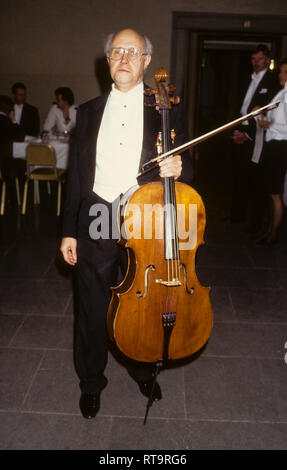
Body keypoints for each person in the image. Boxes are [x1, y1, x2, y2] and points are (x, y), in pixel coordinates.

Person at [60, 28, 193, 419]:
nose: (123, 58)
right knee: (92, 305)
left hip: (143, 217)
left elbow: (186, 166)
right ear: (107, 60)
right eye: (117, 51)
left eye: (133, 52)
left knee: (145, 304)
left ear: (146, 61)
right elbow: (76, 178)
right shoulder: (87, 112)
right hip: (98, 214)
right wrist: (68, 229)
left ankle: (141, 369)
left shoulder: (167, 109)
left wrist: (180, 166)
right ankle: (91, 382)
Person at [230, 44, 280, 231]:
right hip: (240, 131)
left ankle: (256, 224)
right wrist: (236, 131)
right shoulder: (246, 78)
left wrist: (248, 134)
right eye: (253, 59)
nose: (256, 63)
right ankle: (237, 216)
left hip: (256, 136)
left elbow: (268, 113)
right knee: (239, 176)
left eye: (260, 59)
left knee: (257, 180)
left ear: (267, 60)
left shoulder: (274, 81)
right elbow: (238, 105)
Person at [255, 59, 287, 244]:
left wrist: (264, 121)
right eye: (281, 71)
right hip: (273, 144)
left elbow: (282, 126)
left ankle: (273, 234)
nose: (281, 74)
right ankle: (270, 230)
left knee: (275, 192)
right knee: (271, 191)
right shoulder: (281, 93)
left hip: (281, 145)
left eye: (284, 71)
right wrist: (262, 115)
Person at [0, 95, 25, 199]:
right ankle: (16, 197)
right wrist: (13, 120)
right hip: (5, 165)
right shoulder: (6, 122)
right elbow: (20, 137)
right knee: (22, 164)